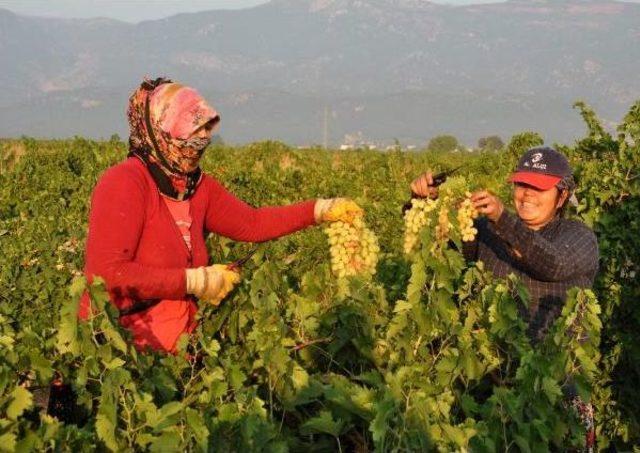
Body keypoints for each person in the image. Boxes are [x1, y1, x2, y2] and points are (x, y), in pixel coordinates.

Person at [78, 77, 361, 354]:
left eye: (204, 131)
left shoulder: (196, 187)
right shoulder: (125, 182)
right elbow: (106, 274)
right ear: (158, 132)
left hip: (181, 350)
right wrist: (194, 282)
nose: (200, 142)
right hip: (121, 355)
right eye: (190, 131)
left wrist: (318, 210)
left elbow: (253, 223)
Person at [410, 146, 598, 451]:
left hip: (554, 390)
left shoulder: (578, 237)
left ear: (562, 196)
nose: (526, 195)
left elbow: (552, 264)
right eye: (521, 185)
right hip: (495, 387)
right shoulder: (489, 230)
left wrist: (502, 218)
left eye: (539, 188)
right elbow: (447, 261)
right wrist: (427, 204)